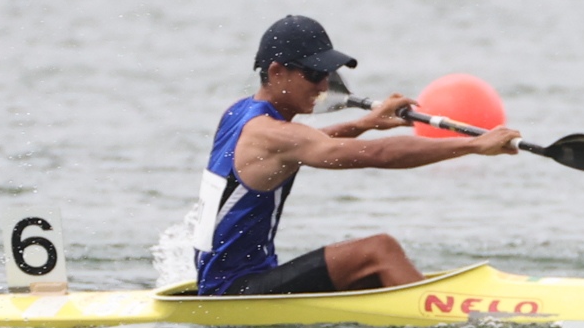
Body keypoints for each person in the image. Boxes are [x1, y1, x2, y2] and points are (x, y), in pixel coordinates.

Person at [192, 16, 520, 296]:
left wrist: (364, 124)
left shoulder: (240, 113)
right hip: (233, 291)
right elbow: (378, 154)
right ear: (277, 72)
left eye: (327, 74)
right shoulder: (271, 133)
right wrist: (474, 146)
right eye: (314, 74)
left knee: (372, 274)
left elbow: (305, 145)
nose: (324, 85)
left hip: (227, 281)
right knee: (379, 251)